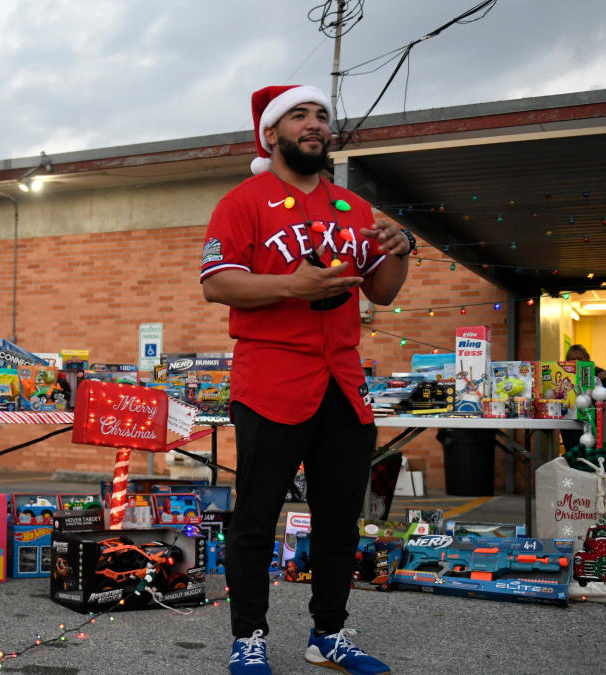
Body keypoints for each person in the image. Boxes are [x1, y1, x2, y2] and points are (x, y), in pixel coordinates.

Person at [199, 85, 412, 675]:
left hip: (343, 379)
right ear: (271, 134)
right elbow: (217, 283)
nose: (314, 124)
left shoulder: (352, 207)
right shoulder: (245, 201)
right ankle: (249, 638)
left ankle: (329, 634)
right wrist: (294, 285)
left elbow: (383, 291)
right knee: (257, 516)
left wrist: (401, 250)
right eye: (299, 115)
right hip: (270, 376)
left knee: (341, 515)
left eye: (321, 114)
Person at [559, 344, 605, 451]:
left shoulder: (598, 372)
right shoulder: (563, 372)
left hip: (592, 421)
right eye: (572, 359)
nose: (576, 361)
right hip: (570, 422)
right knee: (572, 453)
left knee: (592, 453)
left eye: (579, 359)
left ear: (587, 359)